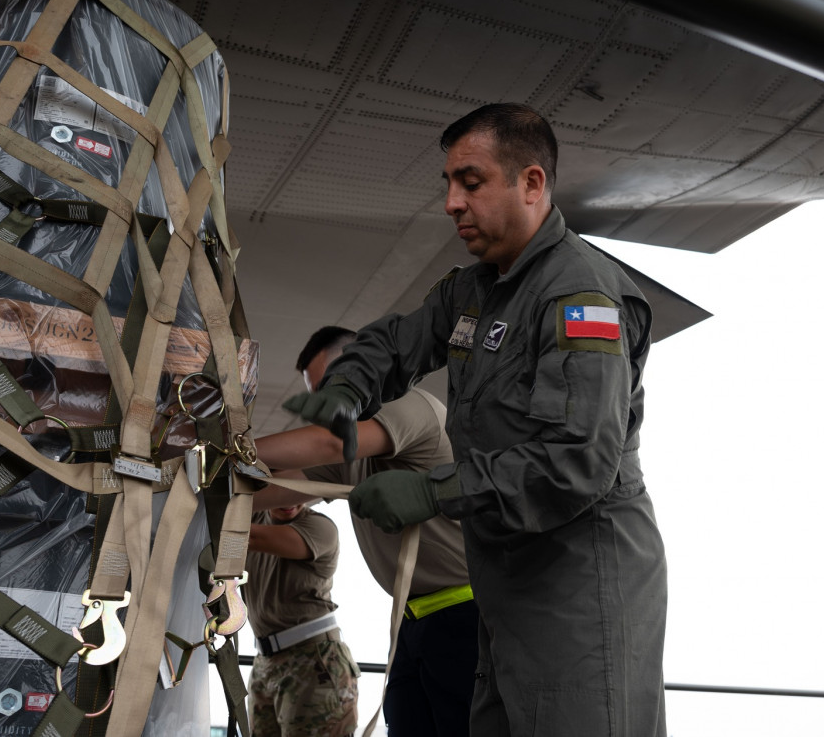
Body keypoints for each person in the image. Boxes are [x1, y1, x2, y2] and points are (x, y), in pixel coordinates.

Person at [283, 103, 668, 736]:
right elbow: (397, 340)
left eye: (471, 182)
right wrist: (349, 386)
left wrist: (430, 491)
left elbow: (577, 460)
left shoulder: (581, 297)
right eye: (448, 184)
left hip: (579, 592)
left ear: (532, 184)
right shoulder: (475, 289)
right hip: (504, 586)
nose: (451, 203)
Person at [253, 325, 477, 736]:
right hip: (414, 620)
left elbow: (329, 445)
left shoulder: (412, 406)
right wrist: (180, 490)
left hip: (465, 616)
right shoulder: (354, 449)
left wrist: (215, 446)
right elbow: (263, 492)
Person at [245, 502, 359, 737]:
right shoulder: (254, 518)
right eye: (283, 492)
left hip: (313, 661)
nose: (289, 500)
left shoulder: (320, 527)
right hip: (265, 661)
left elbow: (241, 535)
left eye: (297, 493)